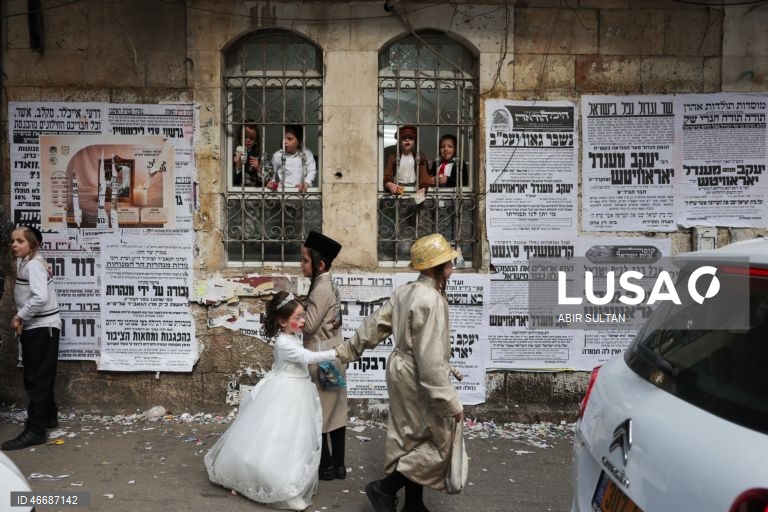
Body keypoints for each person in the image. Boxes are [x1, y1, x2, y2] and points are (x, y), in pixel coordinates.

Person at [335, 233, 465, 512]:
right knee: (439, 440)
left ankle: (414, 505)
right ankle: (385, 489)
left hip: (400, 370)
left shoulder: (407, 291)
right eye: (448, 264)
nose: (452, 269)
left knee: (411, 437)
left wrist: (349, 350)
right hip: (418, 375)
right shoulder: (430, 300)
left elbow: (375, 325)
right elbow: (429, 359)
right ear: (434, 267)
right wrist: (449, 401)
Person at [205, 290, 340, 510]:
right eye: (297, 318)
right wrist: (336, 353)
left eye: (303, 315)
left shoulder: (293, 335)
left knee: (296, 442)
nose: (303, 321)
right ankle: (283, 488)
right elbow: (307, 357)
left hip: (297, 388)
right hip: (286, 391)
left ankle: (291, 483)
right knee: (281, 439)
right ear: (282, 322)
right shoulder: (283, 343)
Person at [2, 225, 61, 451]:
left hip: (41, 328)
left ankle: (36, 431)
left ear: (33, 245)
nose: (14, 245)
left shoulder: (34, 265)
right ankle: (48, 417)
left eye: (20, 241)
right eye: (13, 241)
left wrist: (19, 317)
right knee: (40, 375)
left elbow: (39, 298)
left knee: (36, 379)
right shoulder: (32, 260)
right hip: (40, 327)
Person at [301, 230, 347, 481]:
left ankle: (326, 466)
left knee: (319, 413)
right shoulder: (328, 283)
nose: (302, 265)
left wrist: (292, 312)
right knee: (336, 413)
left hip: (321, 361)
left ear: (320, 264)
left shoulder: (320, 288)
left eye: (305, 261)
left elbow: (308, 325)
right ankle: (339, 465)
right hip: (332, 355)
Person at [381, 125, 431, 261]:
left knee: (417, 222)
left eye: (410, 138)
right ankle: (394, 252)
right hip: (399, 192)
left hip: (414, 191)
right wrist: (389, 183)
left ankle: (418, 251)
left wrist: (423, 187)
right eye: (404, 138)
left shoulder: (419, 156)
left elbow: (424, 176)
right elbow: (387, 174)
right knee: (396, 222)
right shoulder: (393, 157)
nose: (407, 141)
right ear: (399, 141)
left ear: (415, 141)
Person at [269, 125, 317, 192]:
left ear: (299, 141)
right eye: (284, 138)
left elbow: (312, 170)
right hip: (283, 194)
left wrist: (306, 183)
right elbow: (272, 174)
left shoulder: (306, 153)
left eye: (289, 139)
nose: (285, 142)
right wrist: (272, 183)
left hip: (301, 193)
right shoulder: (278, 155)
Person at [233, 123, 270, 187]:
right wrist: (238, 168)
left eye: (252, 138)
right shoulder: (233, 156)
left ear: (256, 140)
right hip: (237, 194)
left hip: (257, 194)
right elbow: (229, 182)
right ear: (240, 137)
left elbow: (269, 180)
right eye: (245, 137)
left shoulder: (262, 156)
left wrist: (259, 168)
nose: (248, 140)